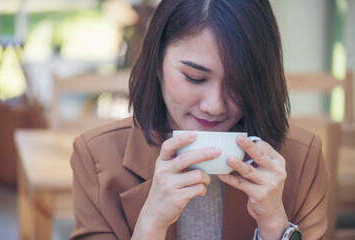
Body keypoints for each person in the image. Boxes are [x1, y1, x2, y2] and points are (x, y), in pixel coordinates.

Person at [69, 0, 328, 239]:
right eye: (195, 77)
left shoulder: (301, 159)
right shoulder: (96, 158)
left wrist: (275, 227)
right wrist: (150, 226)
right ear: (156, 63)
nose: (214, 106)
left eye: (238, 84)